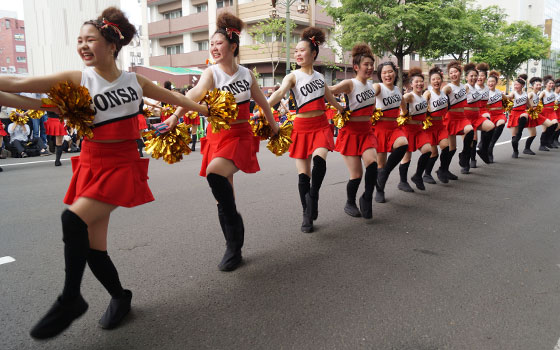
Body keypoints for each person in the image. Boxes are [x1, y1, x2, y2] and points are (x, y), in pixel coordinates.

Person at [0, 7, 207, 339]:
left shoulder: (135, 81)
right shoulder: (77, 79)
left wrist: (202, 109)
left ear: (112, 44)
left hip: (122, 165)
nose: (82, 46)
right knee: (94, 248)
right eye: (79, 41)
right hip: (91, 164)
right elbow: (19, 85)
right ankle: (120, 297)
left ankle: (70, 299)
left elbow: (173, 98)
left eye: (90, 39)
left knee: (72, 221)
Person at [167, 12, 278, 270]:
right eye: (211, 44)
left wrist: (274, 127)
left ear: (233, 46)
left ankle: (234, 237)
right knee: (223, 196)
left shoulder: (247, 75)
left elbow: (263, 103)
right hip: (217, 136)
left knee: (215, 174)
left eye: (219, 43)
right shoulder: (212, 73)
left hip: (240, 136)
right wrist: (175, 115)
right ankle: (234, 246)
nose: (214, 48)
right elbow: (194, 94)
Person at [268, 27, 343, 233]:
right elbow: (280, 93)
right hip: (300, 127)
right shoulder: (292, 76)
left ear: (313, 53)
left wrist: (341, 109)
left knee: (320, 160)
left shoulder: (319, 77)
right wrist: (264, 106)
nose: (298, 54)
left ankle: (314, 196)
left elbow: (329, 97)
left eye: (302, 50)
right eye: (296, 51)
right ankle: (307, 213)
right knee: (303, 176)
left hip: (320, 125)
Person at [329, 43, 378, 218]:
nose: (370, 68)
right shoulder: (350, 83)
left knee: (372, 163)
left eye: (372, 65)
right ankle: (350, 202)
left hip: (366, 132)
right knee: (356, 174)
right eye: (366, 65)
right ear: (356, 67)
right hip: (350, 133)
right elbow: (330, 91)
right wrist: (339, 108)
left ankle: (366, 197)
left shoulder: (372, 86)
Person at [371, 61, 408, 203]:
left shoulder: (398, 90)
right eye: (384, 72)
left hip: (394, 126)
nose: (388, 75)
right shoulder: (378, 87)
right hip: (380, 127)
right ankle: (380, 190)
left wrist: (405, 116)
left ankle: (385, 173)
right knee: (381, 162)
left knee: (403, 144)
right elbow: (371, 94)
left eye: (390, 71)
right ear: (380, 75)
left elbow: (404, 108)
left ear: (395, 73)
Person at [398, 67, 432, 191]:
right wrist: (404, 109)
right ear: (411, 84)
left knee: (428, 150)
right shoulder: (410, 96)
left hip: (419, 129)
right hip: (408, 129)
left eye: (421, 81)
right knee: (407, 157)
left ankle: (417, 176)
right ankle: (402, 182)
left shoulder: (423, 97)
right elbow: (401, 99)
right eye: (416, 82)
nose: (419, 84)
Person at [444, 61, 474, 177]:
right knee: (452, 148)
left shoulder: (464, 87)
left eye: (455, 72)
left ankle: (464, 155)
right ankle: (444, 169)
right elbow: (439, 98)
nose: (453, 74)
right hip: (450, 117)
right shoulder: (448, 88)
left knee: (470, 131)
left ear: (460, 73)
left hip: (462, 117)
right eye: (451, 73)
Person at [423, 66, 451, 183]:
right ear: (430, 81)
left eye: (438, 79)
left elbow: (446, 109)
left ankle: (442, 170)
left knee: (446, 147)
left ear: (441, 80)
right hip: (430, 126)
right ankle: (426, 174)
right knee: (433, 153)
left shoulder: (444, 93)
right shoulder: (428, 93)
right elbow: (422, 107)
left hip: (440, 125)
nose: (436, 81)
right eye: (433, 79)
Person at [471, 62, 495, 168]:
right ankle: (472, 159)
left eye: (482, 76)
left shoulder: (486, 89)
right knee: (473, 137)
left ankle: (483, 147)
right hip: (472, 112)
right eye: (478, 75)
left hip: (483, 111)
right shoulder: (472, 87)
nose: (480, 77)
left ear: (486, 77)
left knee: (489, 122)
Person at [506, 74, 529, 158]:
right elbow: (509, 97)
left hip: (523, 112)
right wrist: (503, 96)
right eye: (514, 84)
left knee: (523, 116)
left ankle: (520, 132)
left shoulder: (526, 94)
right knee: (514, 137)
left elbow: (529, 104)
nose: (515, 86)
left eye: (517, 84)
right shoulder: (514, 93)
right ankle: (515, 151)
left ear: (522, 85)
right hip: (514, 113)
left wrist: (534, 109)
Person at [486, 70, 507, 161]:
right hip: (488, 115)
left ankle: (491, 146)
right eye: (489, 81)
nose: (491, 83)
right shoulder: (484, 93)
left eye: (493, 81)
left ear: (496, 83)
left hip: (499, 115)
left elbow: (507, 100)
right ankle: (486, 148)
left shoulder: (499, 92)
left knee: (501, 123)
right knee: (487, 135)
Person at [536, 75, 558, 151]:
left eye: (552, 83)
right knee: (545, 129)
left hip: (552, 111)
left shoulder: (553, 93)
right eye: (550, 83)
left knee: (555, 124)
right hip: (545, 111)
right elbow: (537, 100)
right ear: (545, 84)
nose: (551, 85)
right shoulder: (543, 92)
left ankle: (548, 141)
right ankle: (542, 145)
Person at [524, 76, 542, 155]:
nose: (539, 86)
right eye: (537, 85)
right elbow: (525, 101)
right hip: (530, 114)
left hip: (534, 114)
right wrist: (530, 108)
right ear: (532, 86)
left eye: (540, 85)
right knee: (533, 134)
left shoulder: (537, 94)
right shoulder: (531, 94)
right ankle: (526, 149)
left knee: (534, 134)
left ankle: (527, 148)